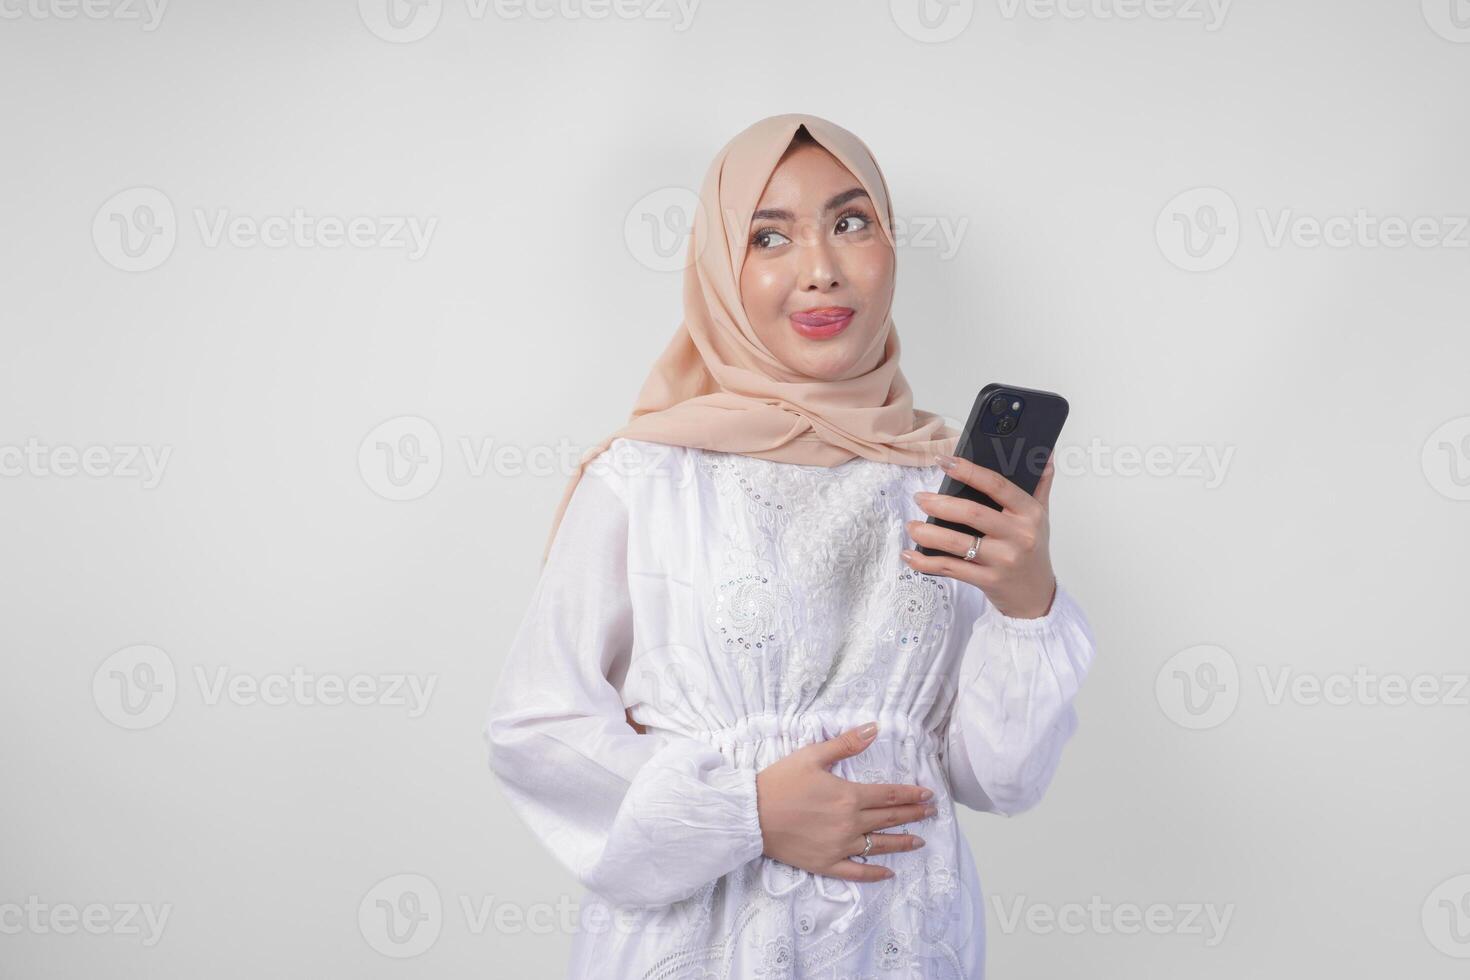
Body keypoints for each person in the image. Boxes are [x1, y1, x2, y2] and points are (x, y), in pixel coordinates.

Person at [484, 112, 1097, 979]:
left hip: (903, 936)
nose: (821, 270)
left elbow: (996, 780)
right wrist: (744, 812)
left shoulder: (942, 478)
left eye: (852, 223)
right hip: (700, 937)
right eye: (768, 237)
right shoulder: (647, 476)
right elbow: (535, 725)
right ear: (719, 272)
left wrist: (1026, 604)